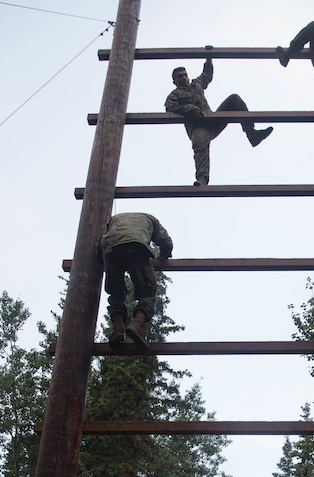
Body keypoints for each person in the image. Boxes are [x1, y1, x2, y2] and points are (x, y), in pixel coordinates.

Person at [165, 48, 273, 186]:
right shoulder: (175, 94)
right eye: (179, 76)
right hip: (198, 126)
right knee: (200, 145)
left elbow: (207, 75)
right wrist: (189, 109)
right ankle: (202, 179)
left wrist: (208, 57)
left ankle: (252, 134)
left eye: (184, 75)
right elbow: (170, 107)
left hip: (212, 119)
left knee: (235, 99)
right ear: (174, 81)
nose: (183, 78)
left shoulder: (196, 84)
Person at [99, 212, 173, 352]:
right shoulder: (151, 219)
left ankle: (118, 329)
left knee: (116, 294)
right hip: (136, 246)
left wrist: (103, 260)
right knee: (147, 293)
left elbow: (100, 241)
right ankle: (136, 325)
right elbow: (165, 241)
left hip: (110, 248)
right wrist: (164, 255)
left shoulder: (114, 219)